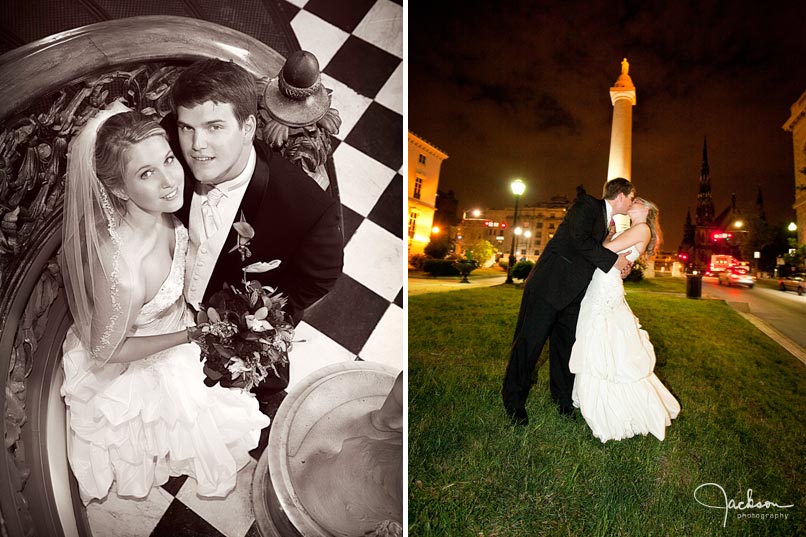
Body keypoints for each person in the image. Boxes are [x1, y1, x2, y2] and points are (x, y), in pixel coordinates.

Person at [60, 102, 270, 503]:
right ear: (119, 190)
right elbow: (106, 350)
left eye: (168, 160)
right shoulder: (125, 271)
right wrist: (188, 335)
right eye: (146, 173)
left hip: (179, 320)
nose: (170, 180)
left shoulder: (163, 208)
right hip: (138, 357)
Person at [169, 59, 344, 398]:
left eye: (214, 127)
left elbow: (322, 276)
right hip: (168, 317)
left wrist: (254, 315)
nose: (196, 146)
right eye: (187, 127)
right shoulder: (170, 150)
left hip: (232, 345)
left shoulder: (307, 207)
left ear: (248, 127)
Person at [502, 178, 635, 425]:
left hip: (573, 296)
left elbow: (593, 254)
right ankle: (514, 401)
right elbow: (579, 241)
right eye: (631, 197)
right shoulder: (586, 205)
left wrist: (619, 266)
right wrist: (612, 260)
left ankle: (563, 400)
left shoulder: (607, 223)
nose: (632, 202)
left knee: (565, 351)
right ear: (620, 196)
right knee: (529, 346)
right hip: (548, 287)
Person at [570, 198, 680, 442]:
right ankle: (595, 399)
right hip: (602, 283)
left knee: (604, 339)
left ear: (648, 210)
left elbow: (605, 251)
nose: (633, 203)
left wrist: (607, 242)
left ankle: (613, 408)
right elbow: (606, 248)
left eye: (638, 202)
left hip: (606, 287)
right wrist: (610, 233)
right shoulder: (629, 229)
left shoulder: (642, 228)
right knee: (598, 337)